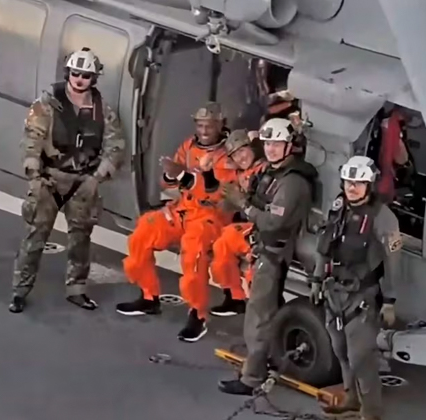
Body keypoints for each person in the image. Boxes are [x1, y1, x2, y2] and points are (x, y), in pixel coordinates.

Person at [9, 47, 125, 313]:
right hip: (49, 180)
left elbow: (115, 146)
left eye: (86, 75)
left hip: (83, 182)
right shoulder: (48, 105)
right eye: (76, 73)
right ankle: (19, 291)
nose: (80, 79)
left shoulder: (102, 110)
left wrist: (96, 178)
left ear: (93, 78)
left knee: (80, 240)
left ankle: (76, 290)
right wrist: (34, 175)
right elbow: (32, 140)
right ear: (68, 73)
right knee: (34, 238)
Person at [116, 102, 237, 342]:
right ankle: (149, 297)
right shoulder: (189, 146)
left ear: (221, 124)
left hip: (210, 217)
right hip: (183, 210)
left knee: (193, 254)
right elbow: (168, 182)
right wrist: (171, 174)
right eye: (200, 125)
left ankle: (198, 314)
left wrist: (183, 176)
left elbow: (215, 193)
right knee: (143, 231)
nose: (204, 131)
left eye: (209, 125)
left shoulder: (228, 155)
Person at [217, 117, 318, 395]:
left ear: (289, 146)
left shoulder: (292, 182)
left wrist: (243, 204)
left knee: (258, 316)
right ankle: (268, 358)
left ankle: (251, 378)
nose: (271, 149)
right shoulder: (272, 174)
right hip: (266, 248)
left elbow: (273, 222)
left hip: (274, 252)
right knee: (265, 310)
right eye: (268, 143)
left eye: (277, 144)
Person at [308, 155, 401, 420]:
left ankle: (371, 412)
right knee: (340, 350)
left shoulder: (383, 217)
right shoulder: (339, 207)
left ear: (369, 185)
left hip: (362, 296)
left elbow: (394, 262)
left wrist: (390, 301)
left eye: (358, 183)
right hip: (334, 292)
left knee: (361, 357)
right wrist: (316, 280)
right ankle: (351, 398)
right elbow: (324, 246)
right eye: (348, 182)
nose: (352, 187)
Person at [209, 130, 267, 317]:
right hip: (251, 224)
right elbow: (217, 169)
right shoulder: (239, 173)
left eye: (242, 151)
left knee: (253, 264)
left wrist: (242, 199)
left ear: (252, 148)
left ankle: (260, 311)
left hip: (267, 226)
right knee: (221, 246)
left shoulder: (265, 169)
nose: (240, 158)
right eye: (235, 155)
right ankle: (234, 298)